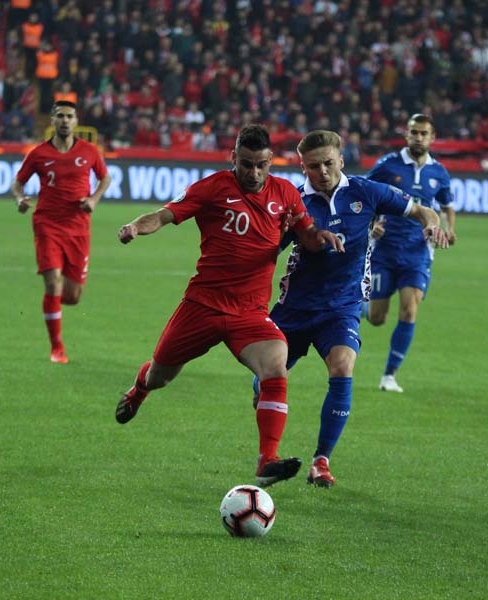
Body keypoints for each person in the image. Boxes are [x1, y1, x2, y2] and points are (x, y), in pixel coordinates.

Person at [114, 124, 344, 488]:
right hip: (202, 306)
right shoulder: (212, 188)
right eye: (247, 164)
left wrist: (323, 238)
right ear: (233, 158)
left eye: (262, 165)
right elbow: (164, 214)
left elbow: (307, 234)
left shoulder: (285, 193)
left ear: (271, 161)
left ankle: (267, 460)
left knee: (275, 366)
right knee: (161, 375)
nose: (254, 174)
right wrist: (135, 227)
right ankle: (139, 389)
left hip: (249, 312)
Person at [252, 130, 449, 487]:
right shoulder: (292, 202)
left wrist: (434, 227)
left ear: (341, 160)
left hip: (342, 305)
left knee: (343, 367)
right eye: (314, 166)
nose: (323, 171)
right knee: (266, 378)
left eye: (329, 163)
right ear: (303, 167)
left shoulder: (366, 191)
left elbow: (423, 211)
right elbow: (265, 254)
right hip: (295, 306)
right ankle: (268, 439)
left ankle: (321, 460)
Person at [11, 100, 111, 364]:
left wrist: (93, 200)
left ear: (76, 121)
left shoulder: (89, 151)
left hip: (78, 227)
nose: (65, 120)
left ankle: (52, 304)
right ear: (52, 121)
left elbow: (105, 178)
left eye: (69, 116)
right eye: (60, 116)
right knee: (52, 281)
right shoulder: (38, 154)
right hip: (47, 224)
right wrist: (20, 200)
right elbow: (18, 183)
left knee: (73, 296)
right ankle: (57, 348)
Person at [365, 113, 457, 393]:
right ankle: (361, 306)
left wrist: (450, 229)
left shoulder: (438, 172)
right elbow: (366, 196)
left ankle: (389, 375)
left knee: (409, 309)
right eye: (414, 132)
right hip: (385, 250)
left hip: (417, 252)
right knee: (377, 318)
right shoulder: (387, 166)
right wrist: (373, 224)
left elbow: (447, 204)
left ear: (432, 138)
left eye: (423, 133)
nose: (418, 137)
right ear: (406, 135)